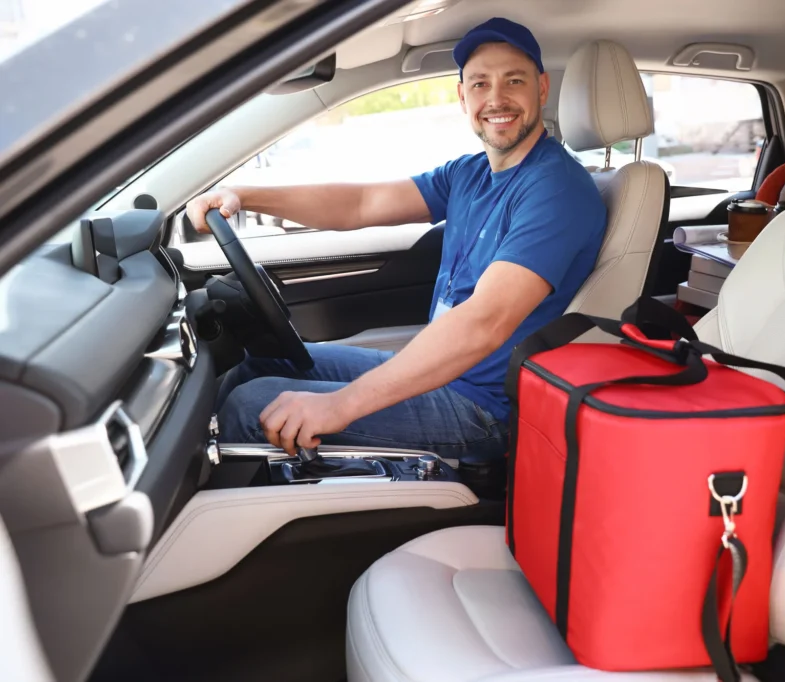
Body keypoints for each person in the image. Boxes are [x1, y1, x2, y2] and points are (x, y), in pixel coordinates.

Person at [186, 17, 608, 460]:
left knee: (252, 407)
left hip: (484, 411)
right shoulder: (471, 173)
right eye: (480, 84)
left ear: (541, 88)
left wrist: (340, 406)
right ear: (463, 97)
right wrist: (243, 194)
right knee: (256, 364)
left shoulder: (556, 189)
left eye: (514, 81)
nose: (496, 98)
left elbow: (485, 322)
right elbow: (362, 204)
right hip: (442, 375)